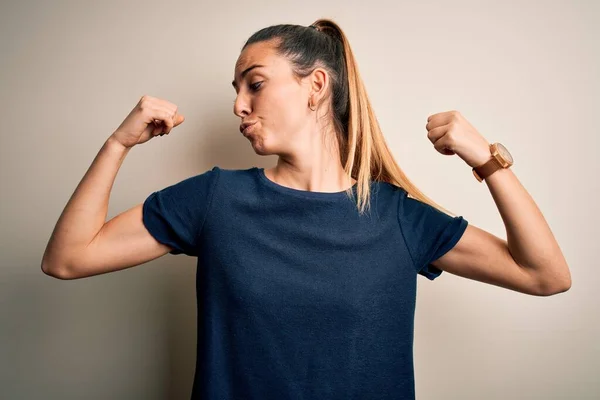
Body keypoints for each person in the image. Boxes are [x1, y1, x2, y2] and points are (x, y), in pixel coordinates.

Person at [41, 18, 571, 400]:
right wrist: (117, 144)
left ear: (316, 85)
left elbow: (545, 275)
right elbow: (67, 258)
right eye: (236, 90)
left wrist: (487, 159)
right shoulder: (214, 199)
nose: (238, 105)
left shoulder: (397, 217)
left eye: (256, 83)